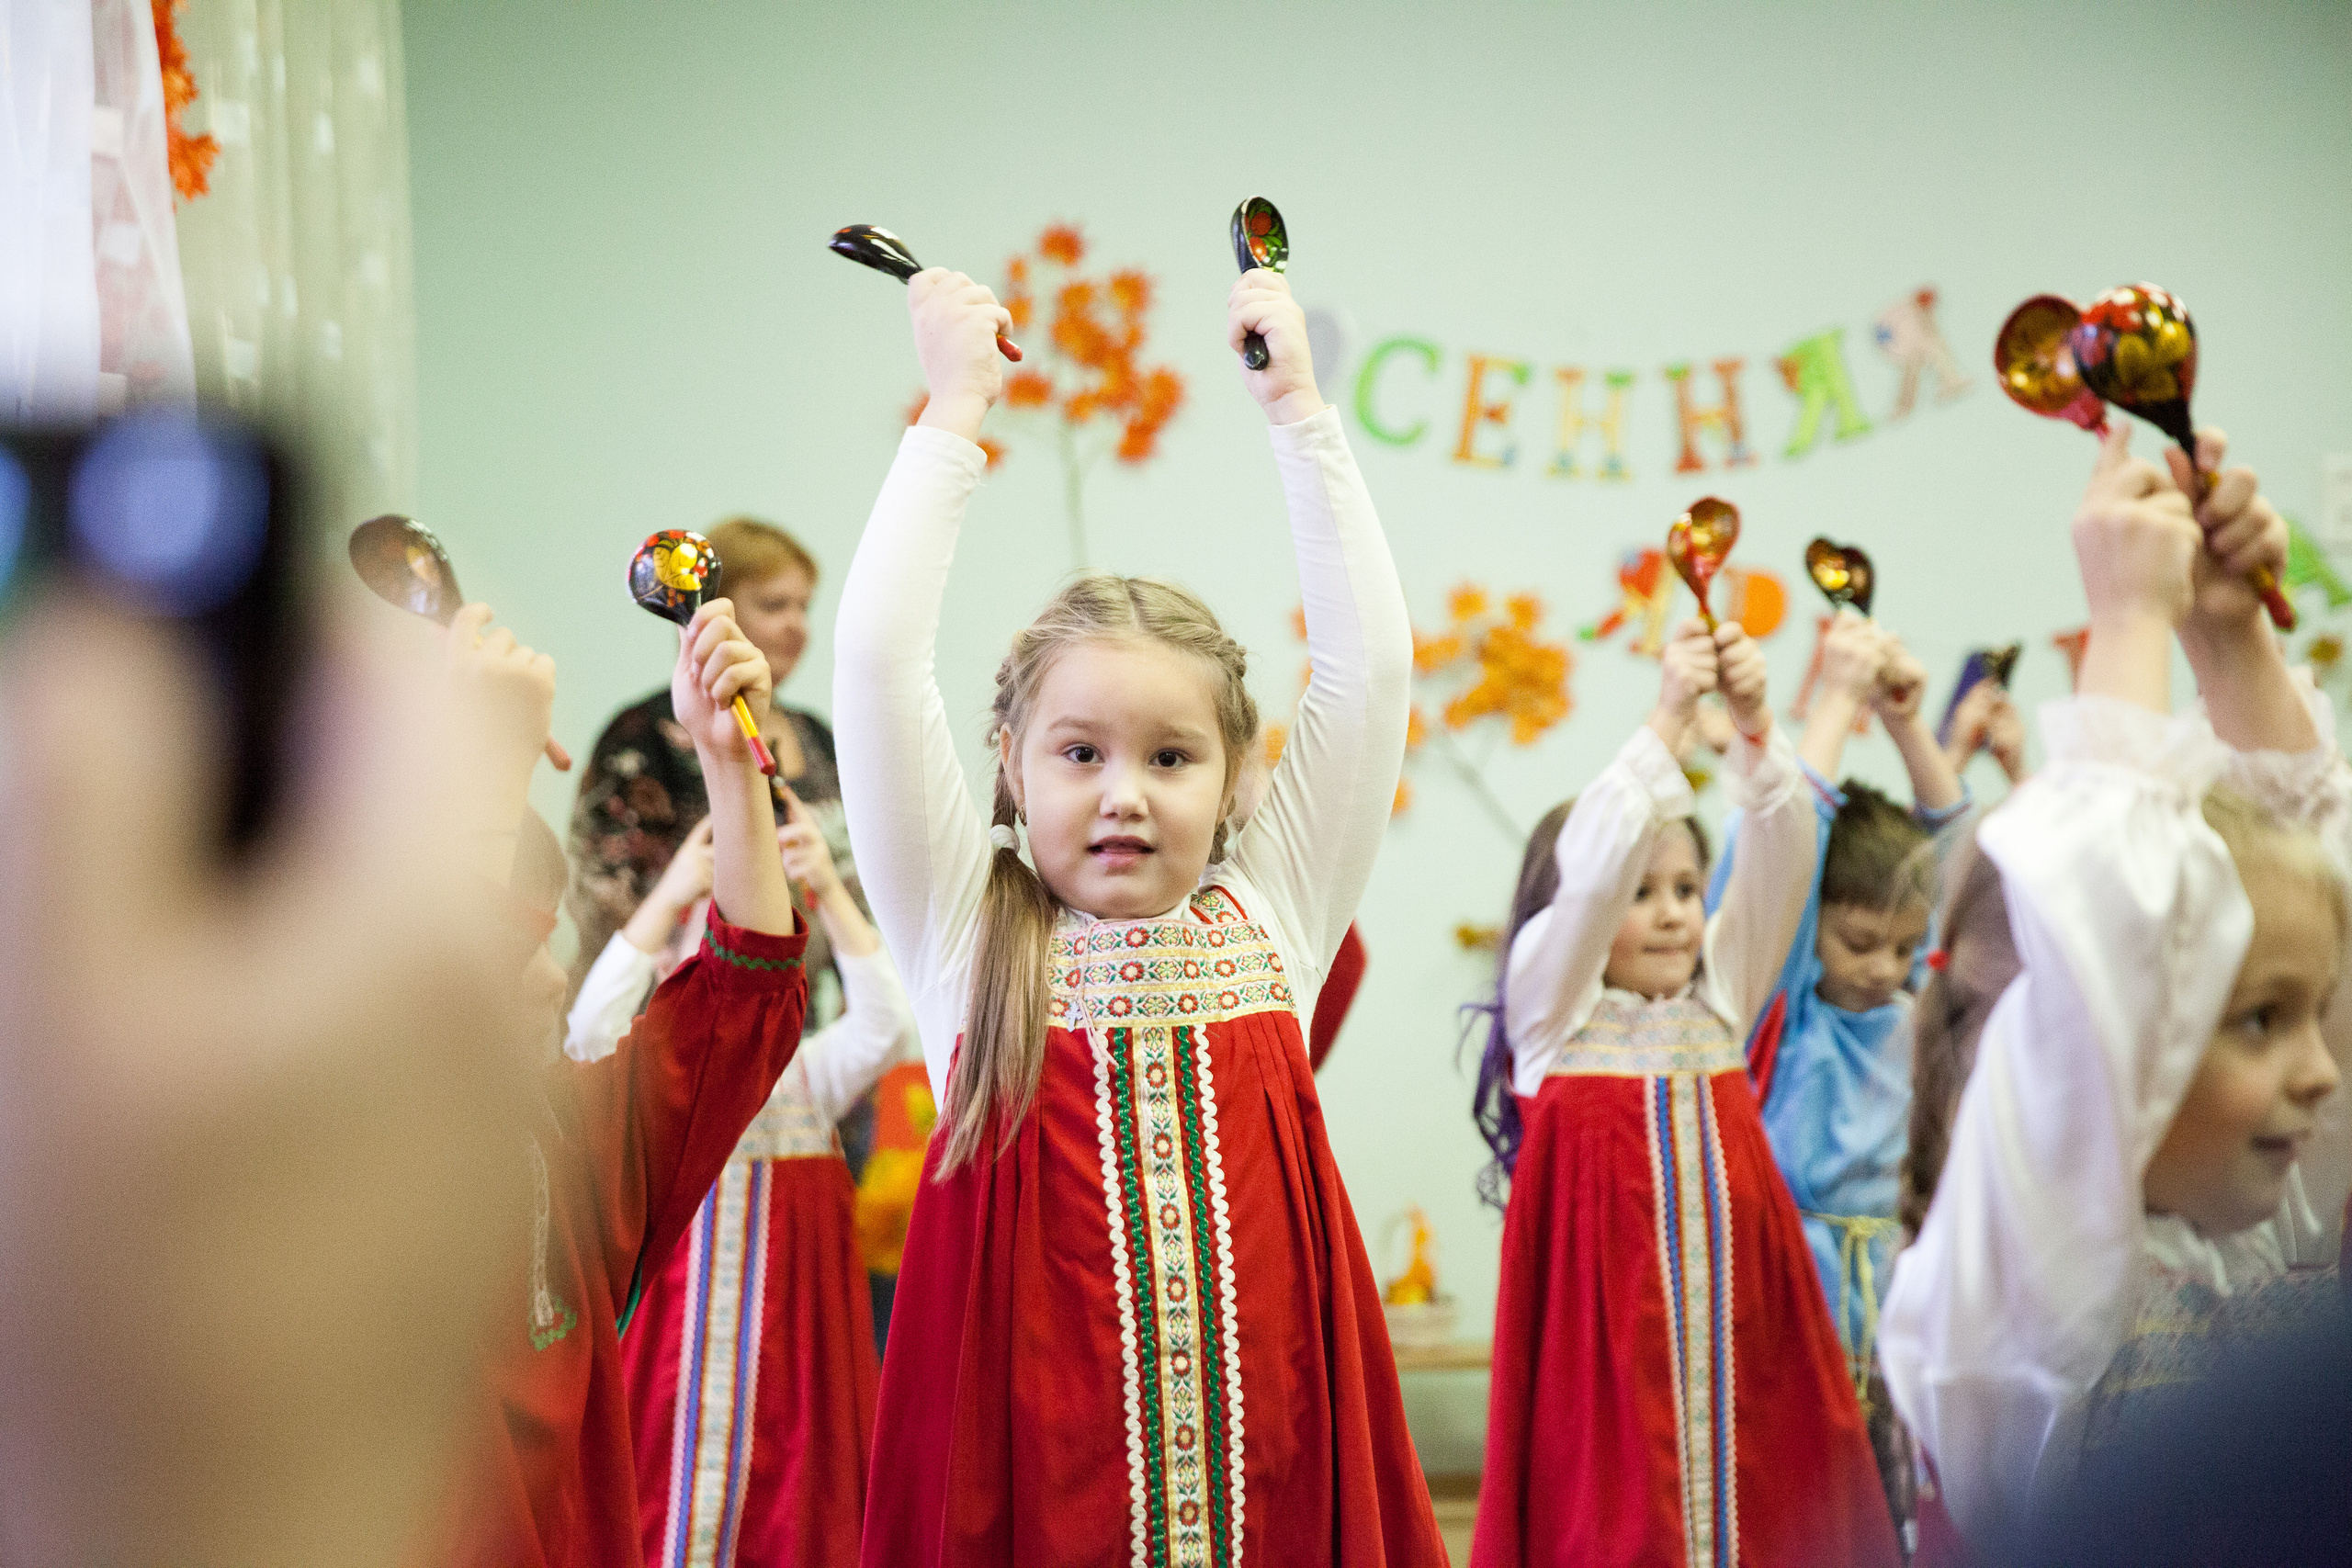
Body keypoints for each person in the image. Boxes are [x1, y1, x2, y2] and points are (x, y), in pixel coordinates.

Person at [834, 264, 1446, 1566]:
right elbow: (877, 666)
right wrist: (954, 411)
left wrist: (1299, 414)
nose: (1125, 794)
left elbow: (1370, 663)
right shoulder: (966, 940)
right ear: (1011, 760)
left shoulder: (1274, 914)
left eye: (1171, 757)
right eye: (1080, 753)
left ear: (1232, 776)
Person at [1880, 423, 2346, 1560]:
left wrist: (2229, 642)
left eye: (2311, 1011)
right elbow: (2108, 946)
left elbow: (2314, 877)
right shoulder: (2019, 1302)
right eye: (2258, 1020)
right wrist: (2129, 619)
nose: (2321, 1066)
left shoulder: (2268, 1216)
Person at [1469, 616, 1900, 1568]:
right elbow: (1586, 882)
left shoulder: (1721, 998)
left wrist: (1752, 728)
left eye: (1683, 887)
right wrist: (1667, 719)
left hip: (1752, 1360)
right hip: (1609, 1382)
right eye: (1644, 891)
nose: (1670, 911)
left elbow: (1784, 851)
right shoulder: (1552, 1020)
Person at [443, 596, 813, 1568]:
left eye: (549, 930)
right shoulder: (335, 1153)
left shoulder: (568, 1141)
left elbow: (741, 1004)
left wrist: (728, 762)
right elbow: (429, 1019)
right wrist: (486, 770)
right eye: (521, 933)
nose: (550, 967)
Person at [569, 794, 916, 1568]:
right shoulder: (660, 1088)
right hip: (663, 1377)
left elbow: (887, 1024)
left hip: (779, 1383)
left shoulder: (800, 1075)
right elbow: (590, 1029)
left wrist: (823, 884)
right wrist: (670, 896)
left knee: (782, 1518)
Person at [1704, 607, 1968, 1519]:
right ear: (1810, 923)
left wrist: (1903, 725)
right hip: (1791, 1314)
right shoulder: (1781, 1011)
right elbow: (1769, 852)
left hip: (1898, 1308)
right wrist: (1834, 697)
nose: (1885, 967)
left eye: (1904, 948)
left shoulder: (1914, 1011)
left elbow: (1953, 856)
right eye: (1859, 941)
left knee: (1901, 1515)